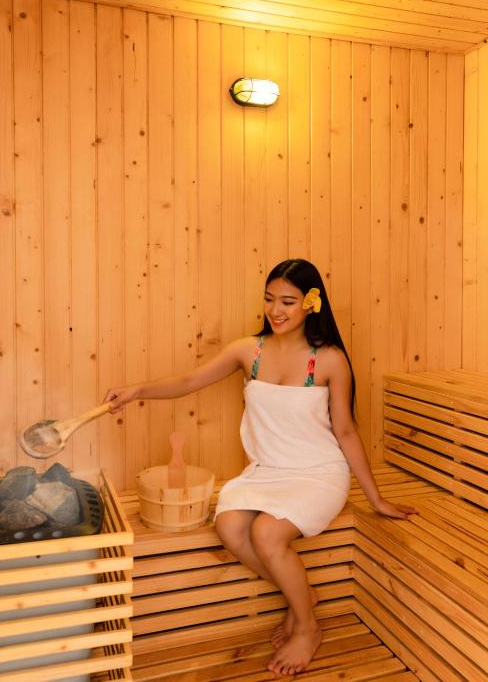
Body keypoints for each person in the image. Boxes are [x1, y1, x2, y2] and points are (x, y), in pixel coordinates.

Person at [104, 258, 418, 676]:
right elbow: (188, 382)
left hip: (318, 472)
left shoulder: (328, 360)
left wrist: (376, 499)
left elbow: (345, 431)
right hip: (268, 469)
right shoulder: (247, 351)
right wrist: (137, 390)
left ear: (311, 303)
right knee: (230, 526)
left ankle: (307, 626)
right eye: (269, 299)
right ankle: (303, 596)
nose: (276, 310)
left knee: (266, 532)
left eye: (288, 301)